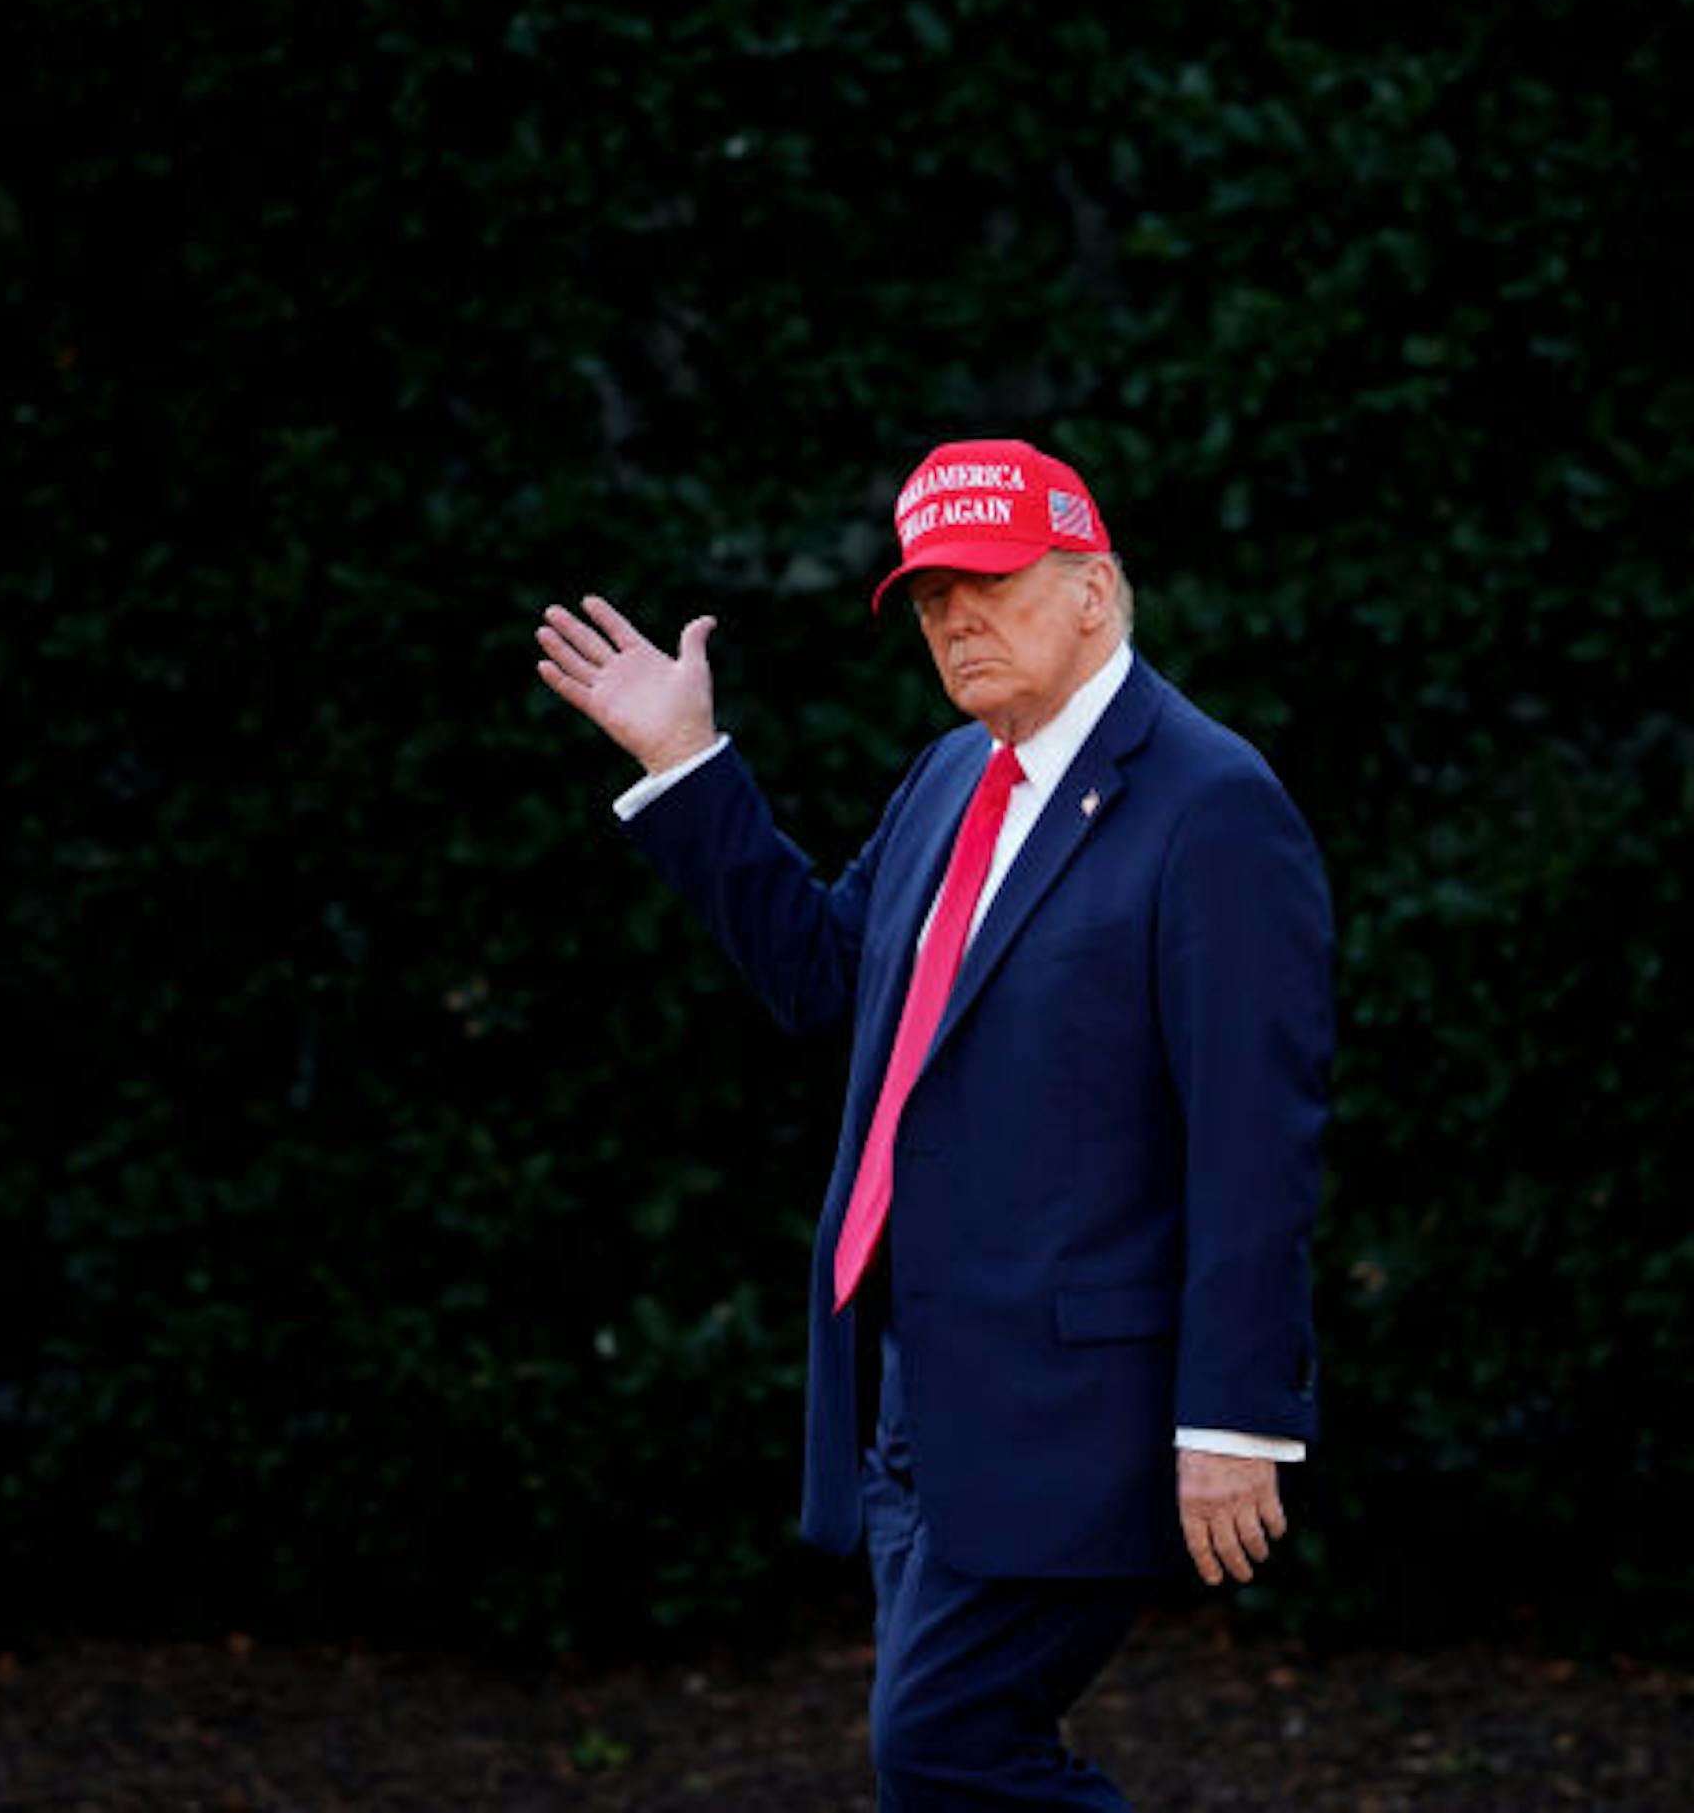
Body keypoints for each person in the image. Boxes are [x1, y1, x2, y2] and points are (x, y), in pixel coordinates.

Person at [533, 436, 1334, 1812]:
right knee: (945, 1766)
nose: (955, 619)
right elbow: (825, 980)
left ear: (1092, 589)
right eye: (929, 597)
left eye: (990, 585)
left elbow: (1257, 1135)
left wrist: (1236, 1413)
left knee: (945, 1747)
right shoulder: (951, 778)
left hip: (1083, 1406)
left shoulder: (1214, 806)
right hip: (918, 1400)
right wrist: (684, 761)